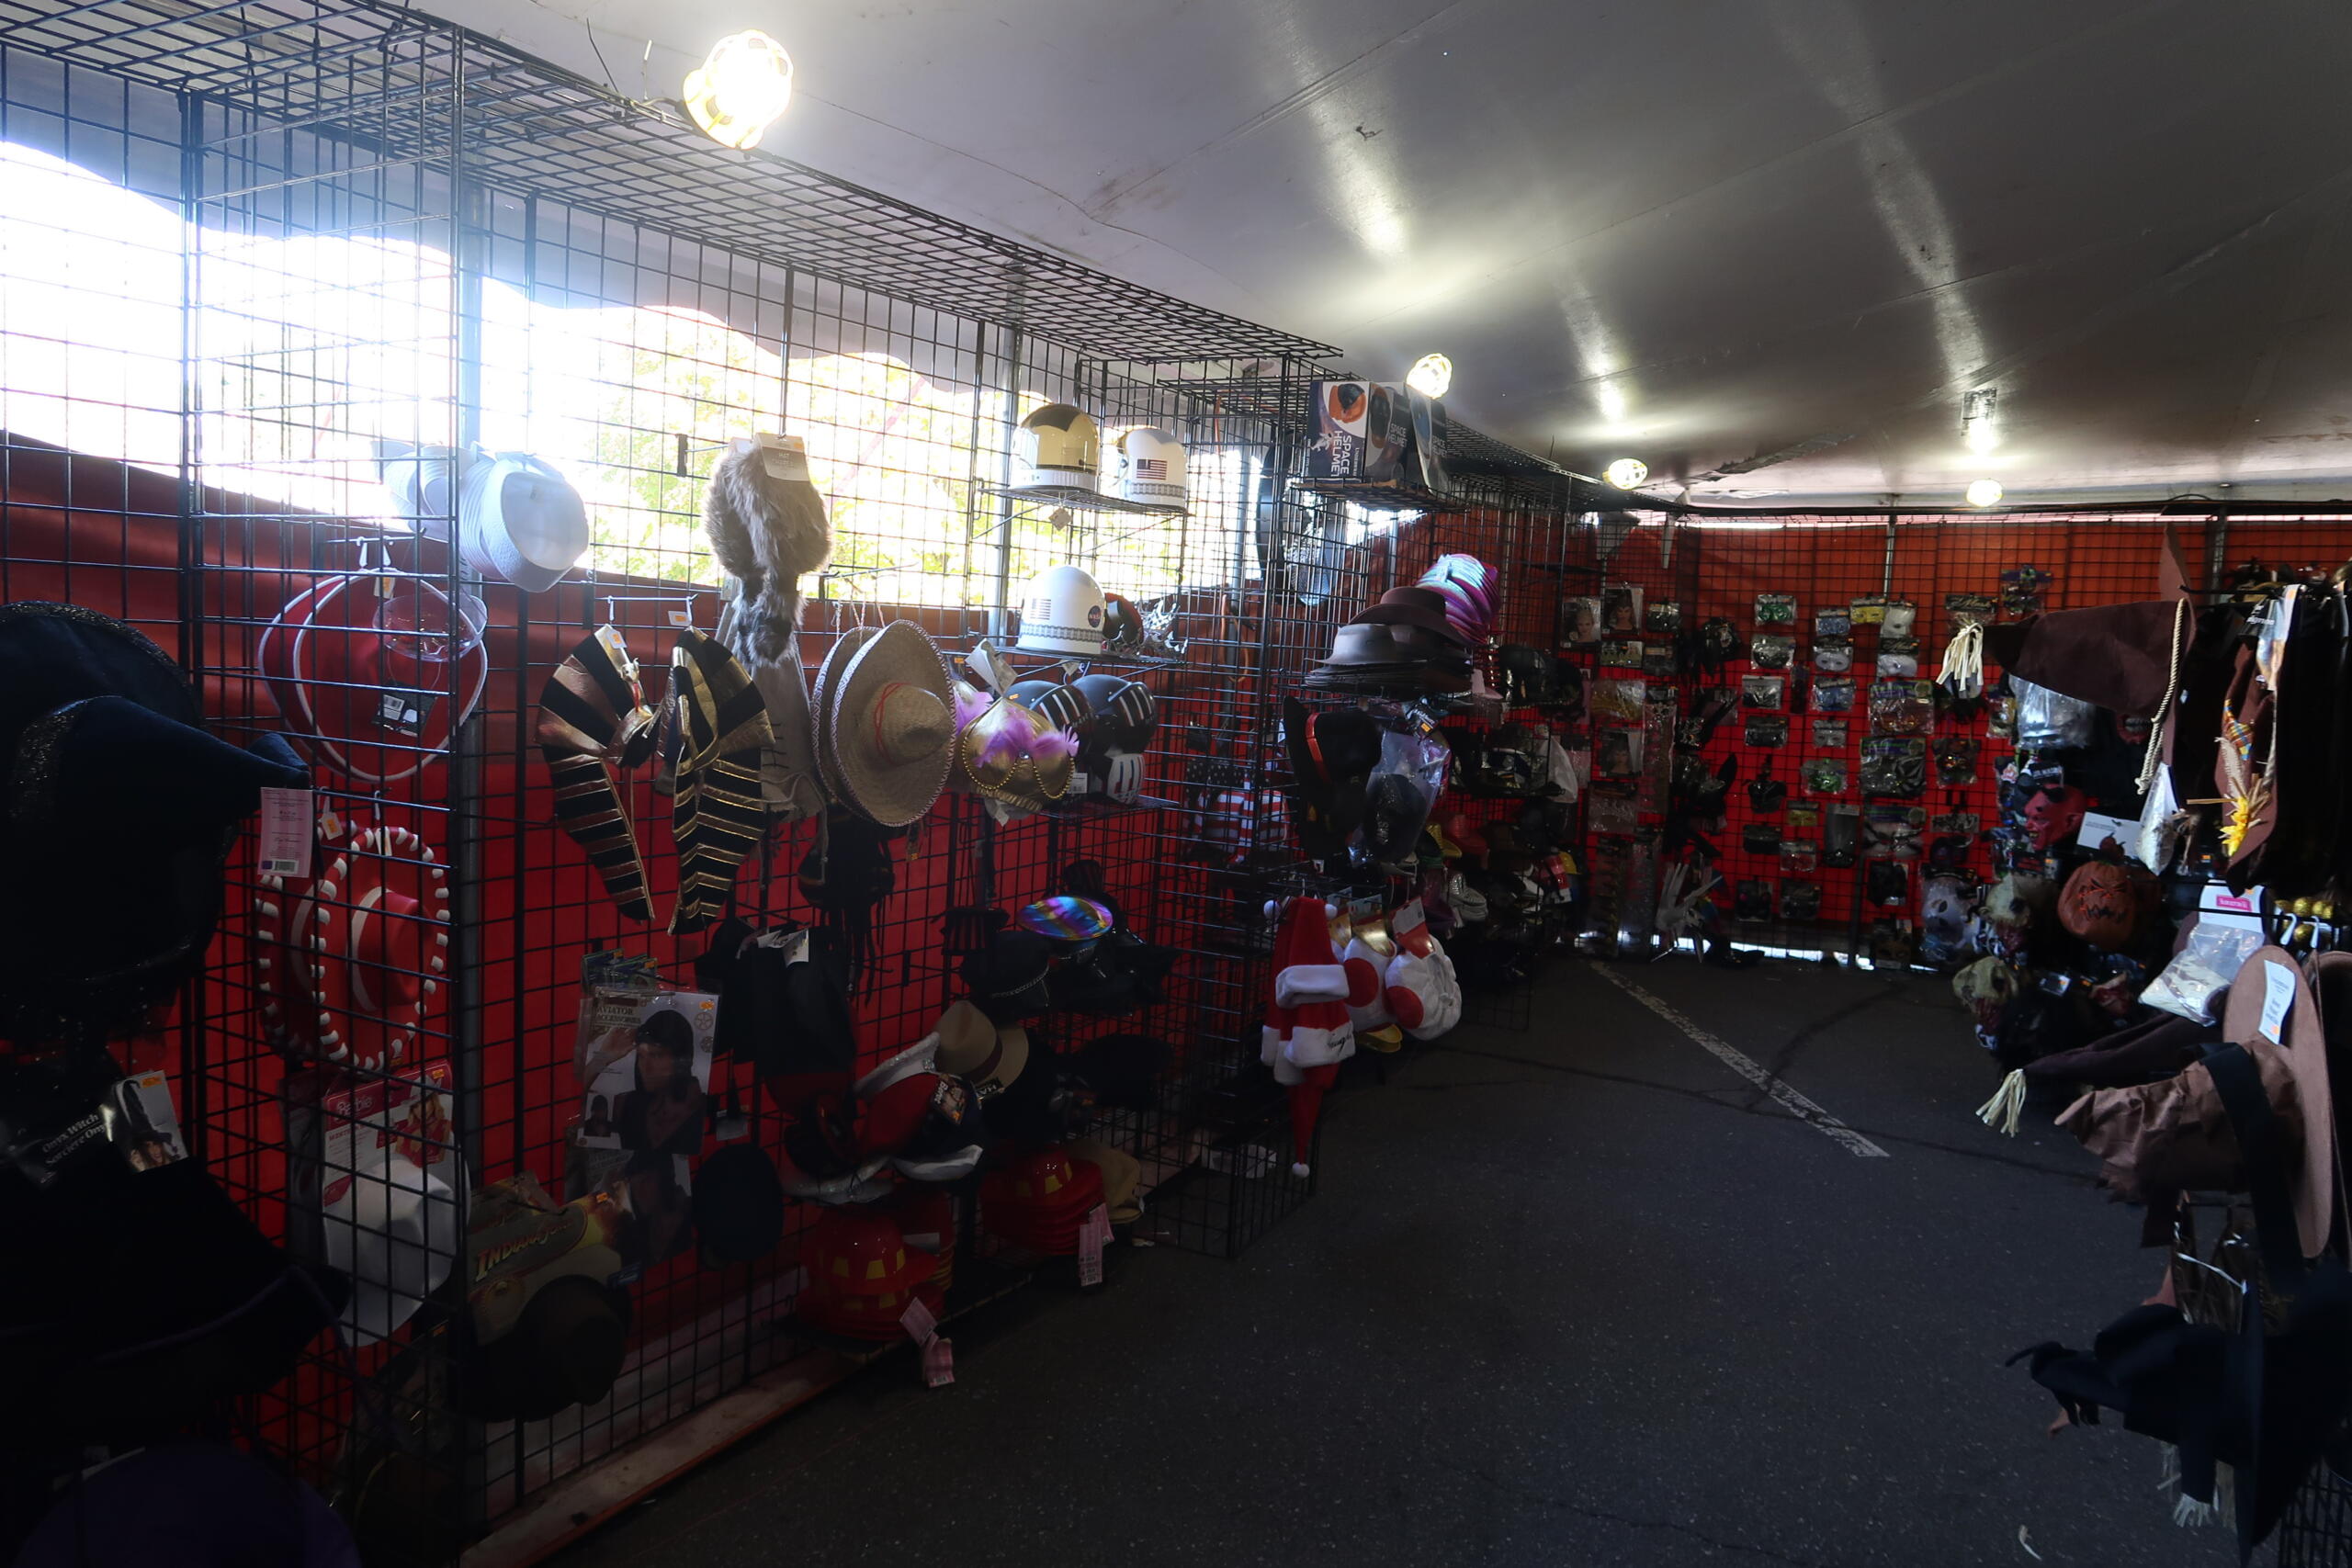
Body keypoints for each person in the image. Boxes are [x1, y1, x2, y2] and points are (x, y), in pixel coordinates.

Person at [614, 1008, 707, 1157]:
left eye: (656, 1055)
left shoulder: (700, 1108)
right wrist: (602, 1060)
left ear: (681, 1060)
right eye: (641, 1056)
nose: (645, 1068)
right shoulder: (625, 1105)